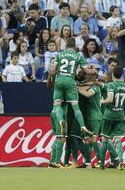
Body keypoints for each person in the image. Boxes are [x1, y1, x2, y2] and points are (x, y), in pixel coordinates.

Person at [48, 37, 97, 168]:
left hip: (59, 80)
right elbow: (87, 71)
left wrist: (53, 74)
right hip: (70, 81)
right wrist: (93, 70)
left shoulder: (59, 54)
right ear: (75, 45)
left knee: (57, 104)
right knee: (75, 106)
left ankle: (60, 121)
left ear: (66, 45)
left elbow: (52, 70)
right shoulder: (78, 55)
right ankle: (82, 126)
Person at [99, 65, 125, 170]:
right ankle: (121, 161)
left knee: (104, 138)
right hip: (120, 115)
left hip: (109, 115)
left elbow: (109, 99)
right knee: (118, 138)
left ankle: (101, 165)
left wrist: (101, 101)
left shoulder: (111, 85)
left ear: (113, 74)